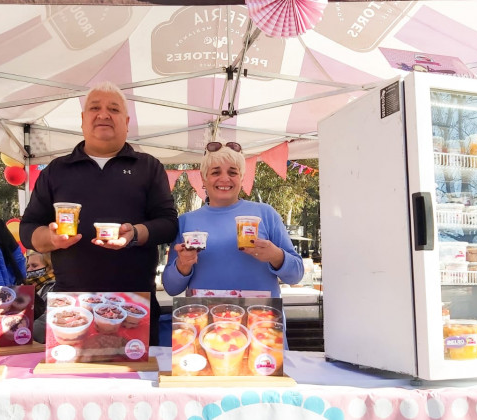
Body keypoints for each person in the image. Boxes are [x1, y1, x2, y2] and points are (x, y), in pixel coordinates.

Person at [19, 81, 178, 345]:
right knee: (73, 385)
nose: (103, 114)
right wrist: (50, 238)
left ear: (126, 122)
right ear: (83, 120)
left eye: (113, 109)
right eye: (95, 108)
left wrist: (135, 234)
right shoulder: (57, 171)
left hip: (135, 304)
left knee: (136, 383)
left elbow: (169, 224)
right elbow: (27, 229)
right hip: (72, 303)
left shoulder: (148, 167)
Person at [162, 142, 303, 297]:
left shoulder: (266, 214)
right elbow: (171, 287)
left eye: (233, 172)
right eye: (215, 173)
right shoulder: (185, 221)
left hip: (260, 316)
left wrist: (275, 255)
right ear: (203, 179)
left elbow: (296, 275)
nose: (224, 178)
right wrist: (182, 265)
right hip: (204, 316)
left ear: (242, 178)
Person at [24, 250, 56, 319]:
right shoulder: (28, 286)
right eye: (28, 266)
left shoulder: (54, 287)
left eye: (34, 266)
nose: (29, 270)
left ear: (49, 266)